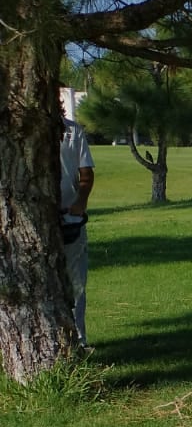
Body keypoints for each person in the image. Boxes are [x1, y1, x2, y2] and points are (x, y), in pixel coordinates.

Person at [59, 110, 95, 345]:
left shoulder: (72, 131)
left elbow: (86, 174)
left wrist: (80, 203)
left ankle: (78, 341)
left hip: (69, 219)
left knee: (76, 283)